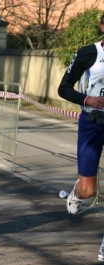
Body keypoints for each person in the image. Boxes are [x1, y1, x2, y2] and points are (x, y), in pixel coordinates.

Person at [58, 15, 104, 215]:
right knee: (88, 191)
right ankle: (77, 193)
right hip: (92, 123)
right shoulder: (88, 53)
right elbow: (64, 88)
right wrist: (88, 100)